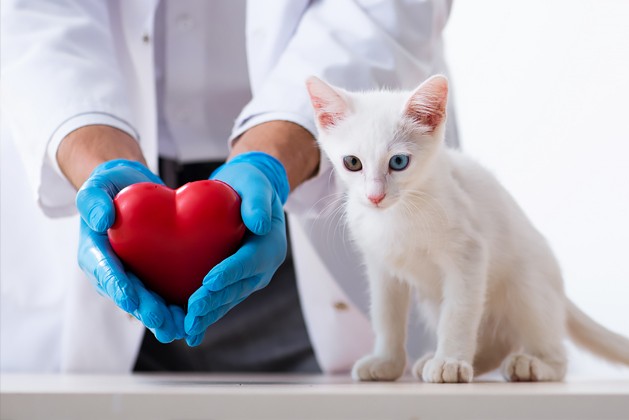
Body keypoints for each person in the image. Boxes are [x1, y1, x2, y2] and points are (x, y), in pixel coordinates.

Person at [0, 0, 459, 373]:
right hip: (105, 222)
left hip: (308, 205)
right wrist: (96, 161)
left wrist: (271, 159)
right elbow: (34, 12)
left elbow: (382, 10)